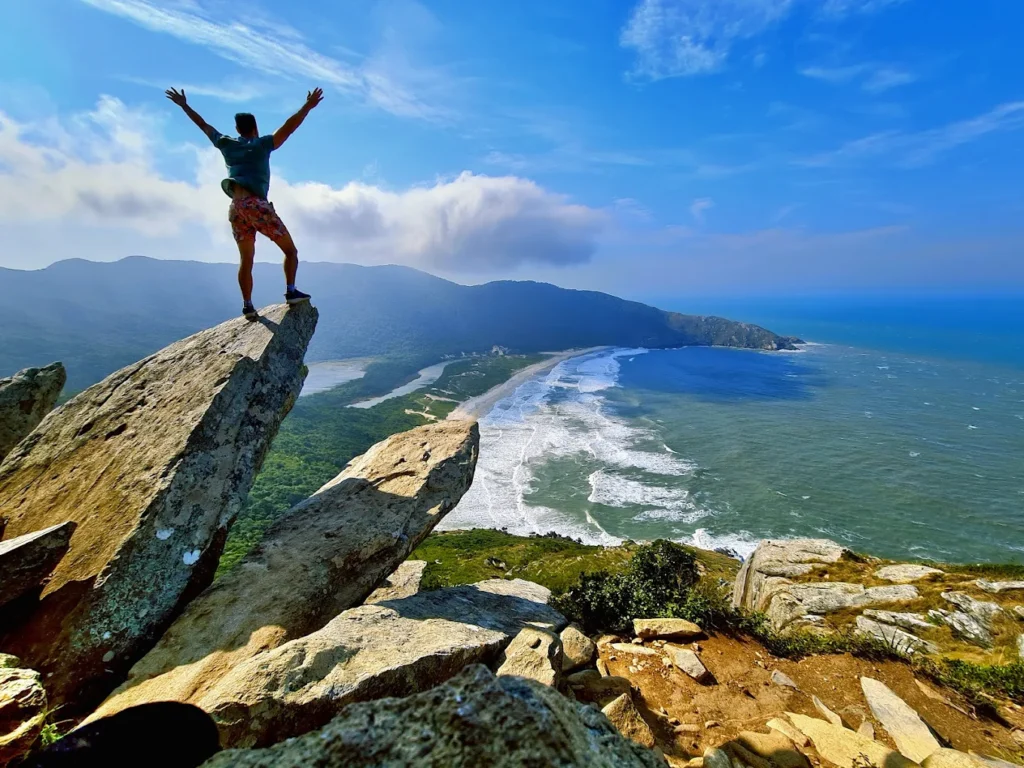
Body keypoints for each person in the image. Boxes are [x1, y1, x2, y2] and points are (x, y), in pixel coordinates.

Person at [165, 86, 324, 319]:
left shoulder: (227, 143)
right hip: (256, 204)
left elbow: (203, 126)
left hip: (236, 208)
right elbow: (289, 128)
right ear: (255, 128)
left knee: (246, 259)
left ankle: (248, 306)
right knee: (290, 251)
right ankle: (291, 291)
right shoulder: (262, 144)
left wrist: (184, 105)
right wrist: (308, 106)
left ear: (237, 129)